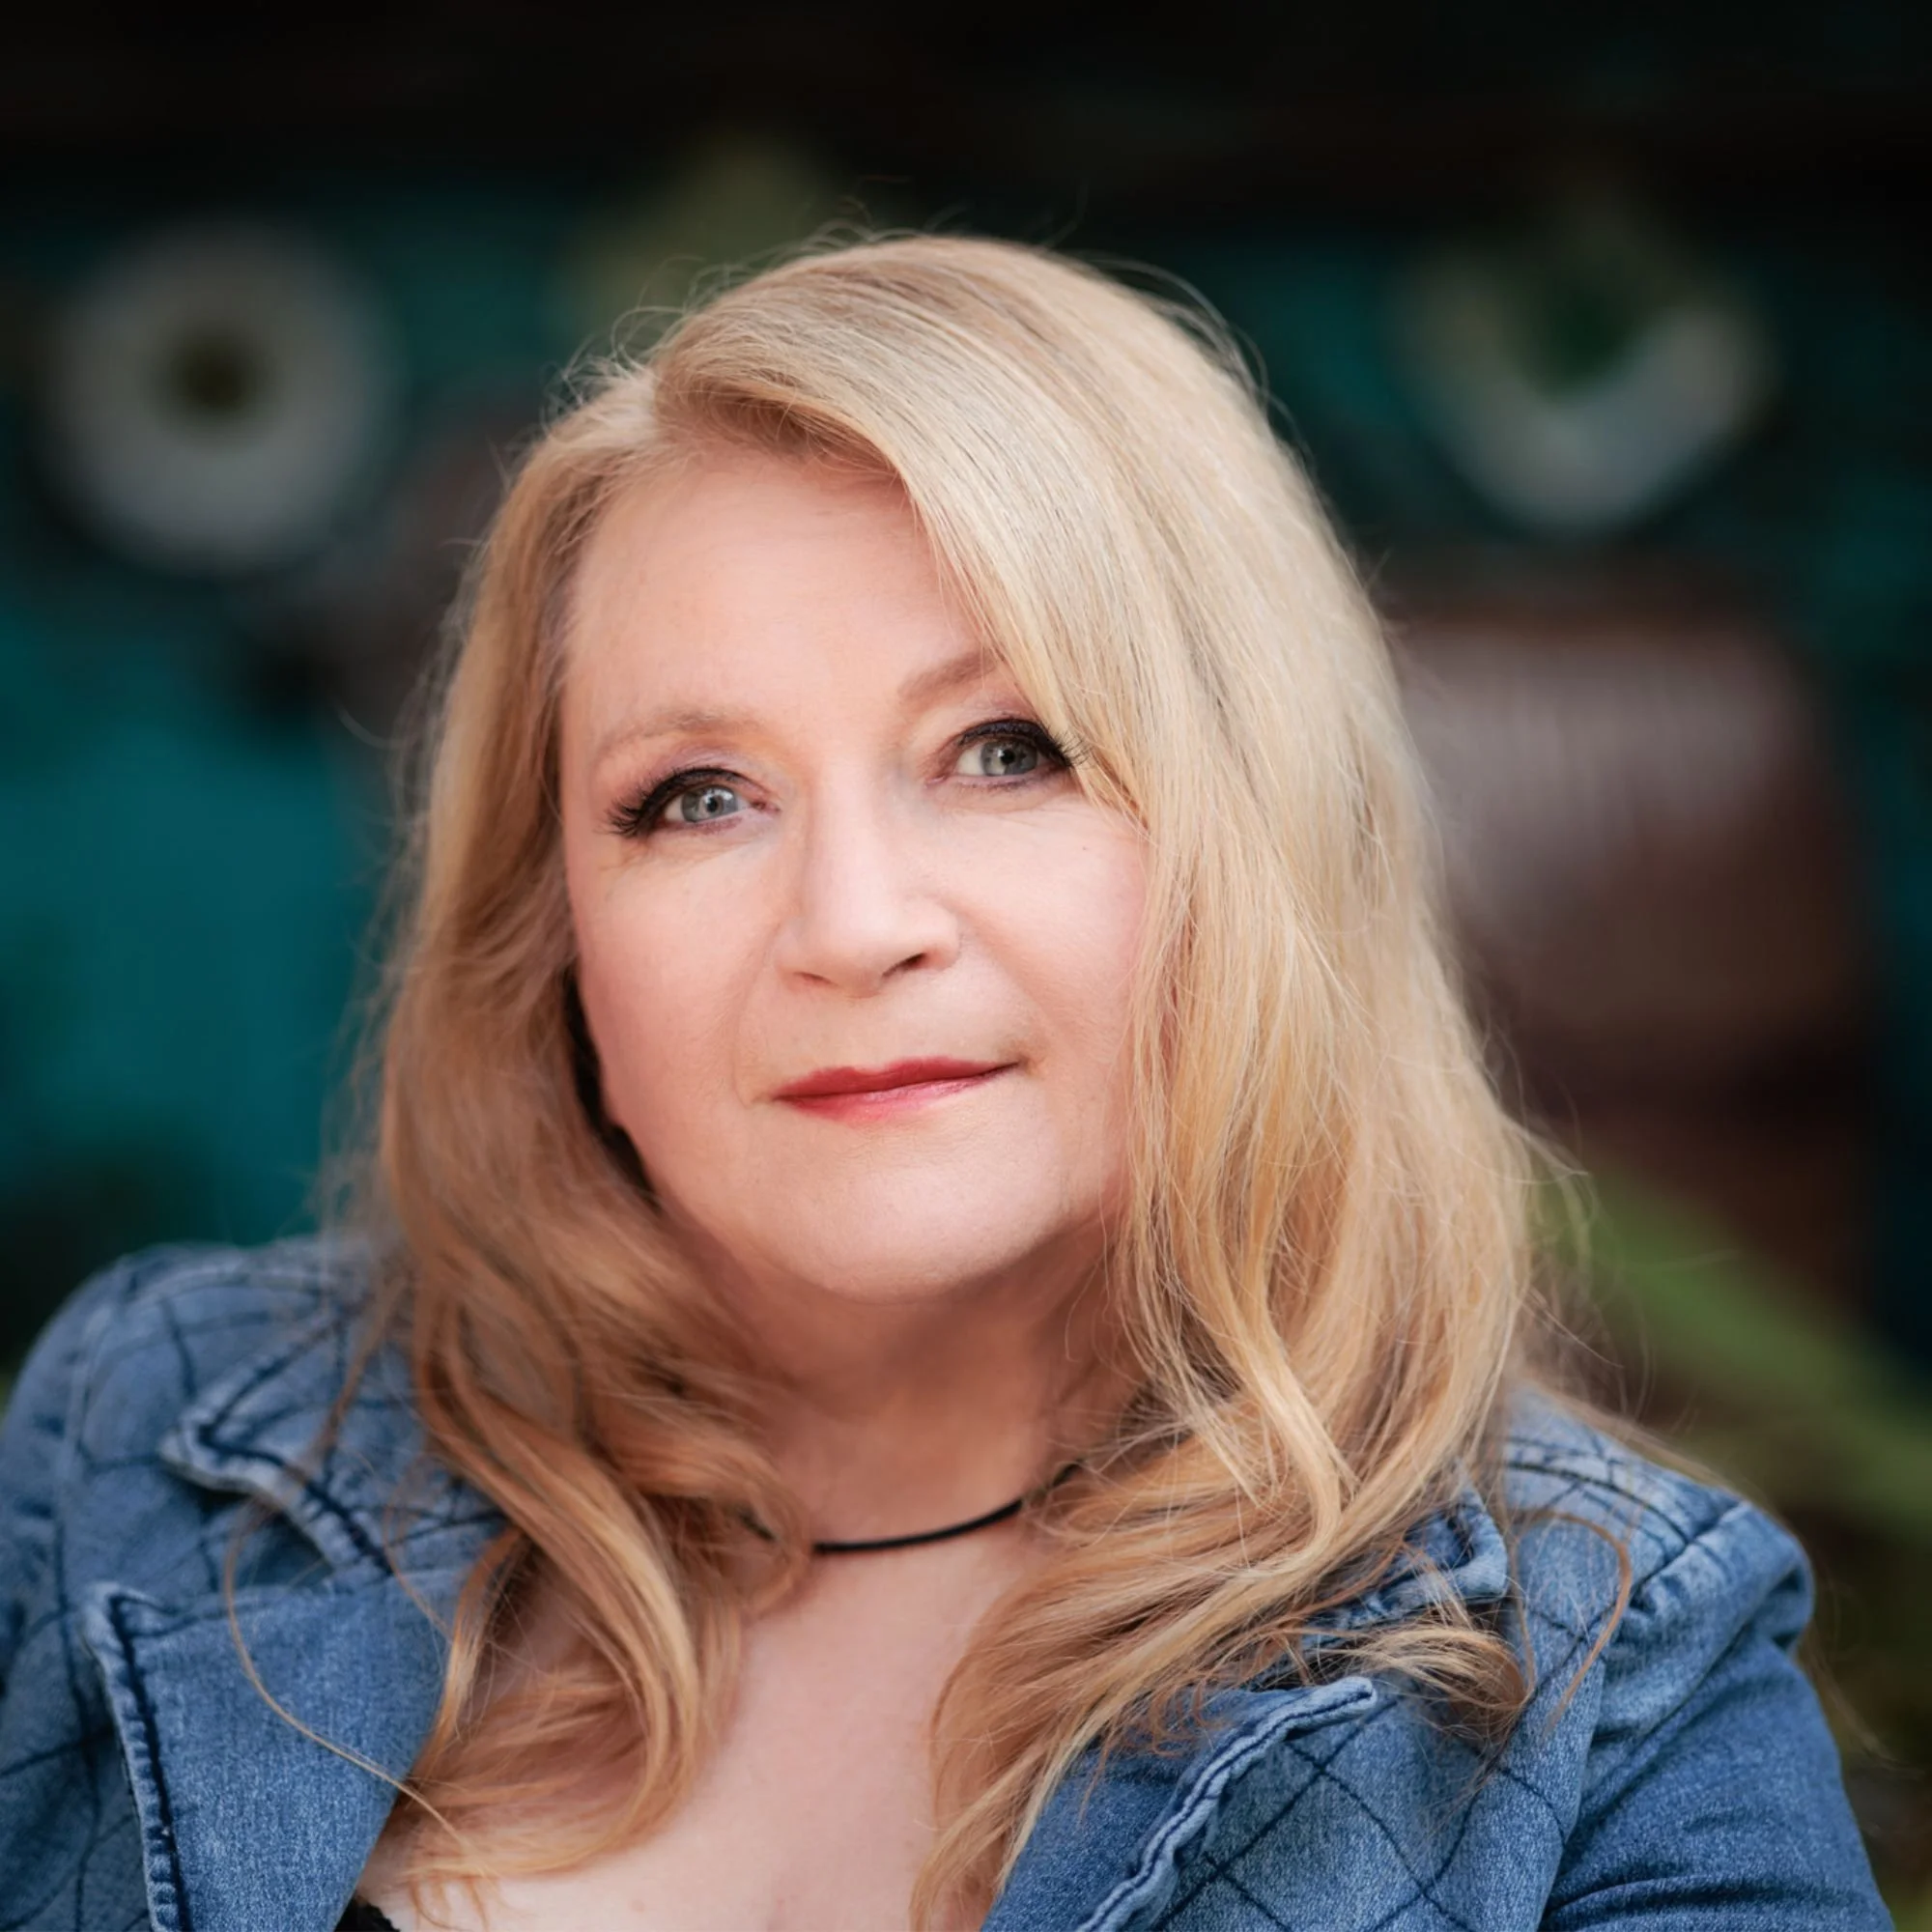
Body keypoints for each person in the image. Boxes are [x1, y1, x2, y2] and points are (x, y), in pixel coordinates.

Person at [0, 236, 1889, 1932]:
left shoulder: (1608, 1677)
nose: (849, 922)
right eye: (697, 797)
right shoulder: (148, 1443)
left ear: (1258, 846)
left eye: (1007, 749)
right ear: (559, 941)